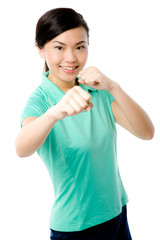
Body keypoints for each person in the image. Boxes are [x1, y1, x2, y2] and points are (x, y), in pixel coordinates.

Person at [15, 8, 154, 240]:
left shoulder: (96, 89)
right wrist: (55, 113)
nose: (71, 58)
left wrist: (114, 87)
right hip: (78, 228)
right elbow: (22, 148)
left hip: (117, 213)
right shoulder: (40, 100)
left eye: (80, 47)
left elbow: (147, 132)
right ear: (40, 50)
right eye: (59, 47)